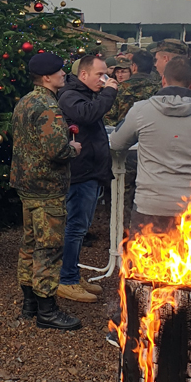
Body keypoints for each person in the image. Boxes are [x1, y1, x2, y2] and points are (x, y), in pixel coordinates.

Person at [110, 54, 191, 230]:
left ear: (163, 80)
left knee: (144, 249)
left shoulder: (141, 111)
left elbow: (116, 143)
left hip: (150, 205)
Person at [10, 52, 83, 330]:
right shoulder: (48, 106)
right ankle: (47, 310)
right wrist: (72, 148)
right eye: (59, 71)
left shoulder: (25, 101)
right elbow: (55, 150)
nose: (64, 74)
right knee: (49, 248)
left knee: (30, 244)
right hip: (47, 187)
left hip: (27, 185)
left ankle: (29, 304)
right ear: (46, 77)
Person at [56, 55, 117, 303]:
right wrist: (109, 92)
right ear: (83, 75)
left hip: (90, 172)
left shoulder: (85, 94)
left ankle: (72, 273)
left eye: (106, 75)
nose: (104, 79)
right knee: (75, 227)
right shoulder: (70, 96)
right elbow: (88, 114)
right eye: (99, 74)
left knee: (81, 227)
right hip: (80, 173)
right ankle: (66, 279)